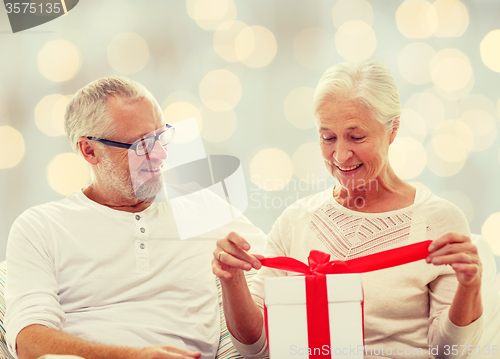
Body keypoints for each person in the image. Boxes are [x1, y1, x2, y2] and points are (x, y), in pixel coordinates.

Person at [213, 61, 483, 359]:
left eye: (356, 137)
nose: (340, 155)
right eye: (328, 137)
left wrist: (469, 287)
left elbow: (451, 353)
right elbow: (257, 350)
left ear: (392, 129)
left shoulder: (439, 221)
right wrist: (232, 280)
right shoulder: (295, 221)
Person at [5, 76, 265, 359]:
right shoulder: (41, 227)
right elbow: (28, 341)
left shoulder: (203, 209)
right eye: (142, 145)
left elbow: (286, 270)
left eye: (161, 137)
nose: (161, 154)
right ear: (89, 150)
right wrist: (131, 356)